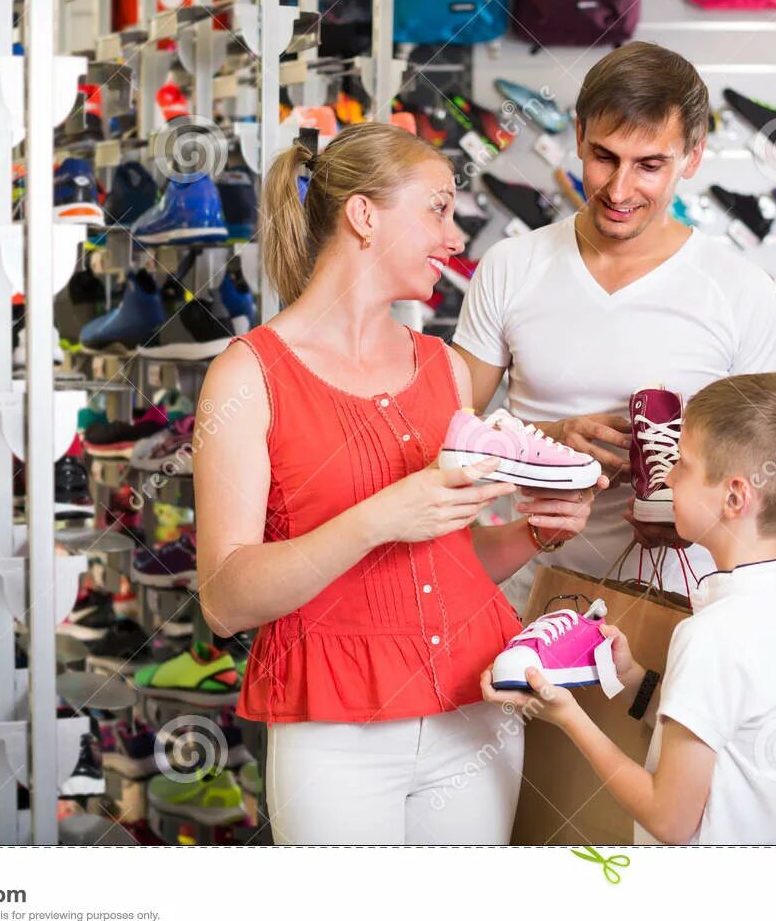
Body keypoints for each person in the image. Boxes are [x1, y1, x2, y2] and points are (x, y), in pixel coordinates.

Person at [193, 123, 606, 844]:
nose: (455, 236)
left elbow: (445, 560)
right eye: (438, 209)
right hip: (336, 735)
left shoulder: (443, 367)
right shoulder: (248, 376)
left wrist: (537, 531)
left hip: (474, 709)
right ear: (363, 215)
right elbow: (226, 600)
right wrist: (378, 516)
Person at [453, 41, 776, 598]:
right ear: (580, 133)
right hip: (530, 596)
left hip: (682, 610)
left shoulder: (742, 292)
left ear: (692, 157)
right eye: (604, 156)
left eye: (650, 165)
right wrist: (544, 444)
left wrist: (697, 514)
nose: (618, 190)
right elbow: (446, 439)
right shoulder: (511, 267)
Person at [483, 373, 776, 844]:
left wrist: (568, 716)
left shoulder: (713, 634)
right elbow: (729, 735)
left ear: (734, 497)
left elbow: (670, 821)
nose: (666, 477)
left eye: (683, 466)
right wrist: (636, 681)